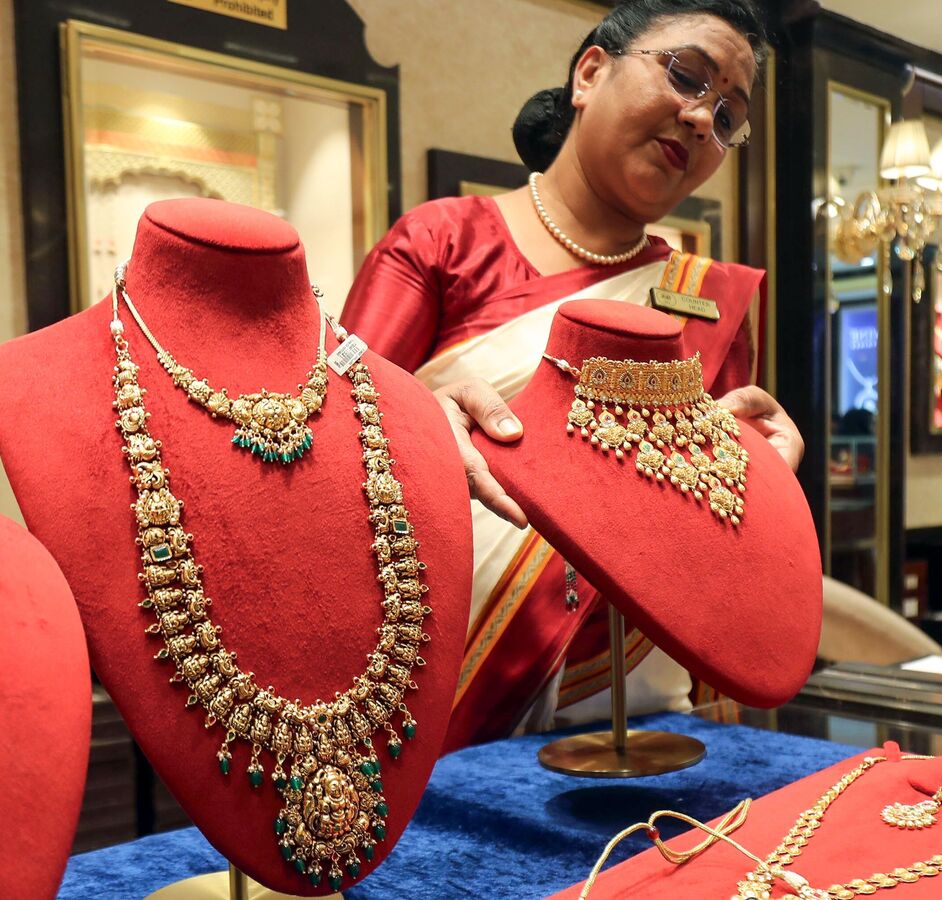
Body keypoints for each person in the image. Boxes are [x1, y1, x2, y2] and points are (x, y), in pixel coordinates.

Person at [339, 0, 806, 752]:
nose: (701, 119)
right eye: (687, 76)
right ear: (590, 73)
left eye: (728, 116)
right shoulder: (443, 243)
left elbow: (710, 529)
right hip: (447, 700)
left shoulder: (709, 300)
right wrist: (419, 418)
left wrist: (763, 489)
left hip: (647, 712)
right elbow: (331, 441)